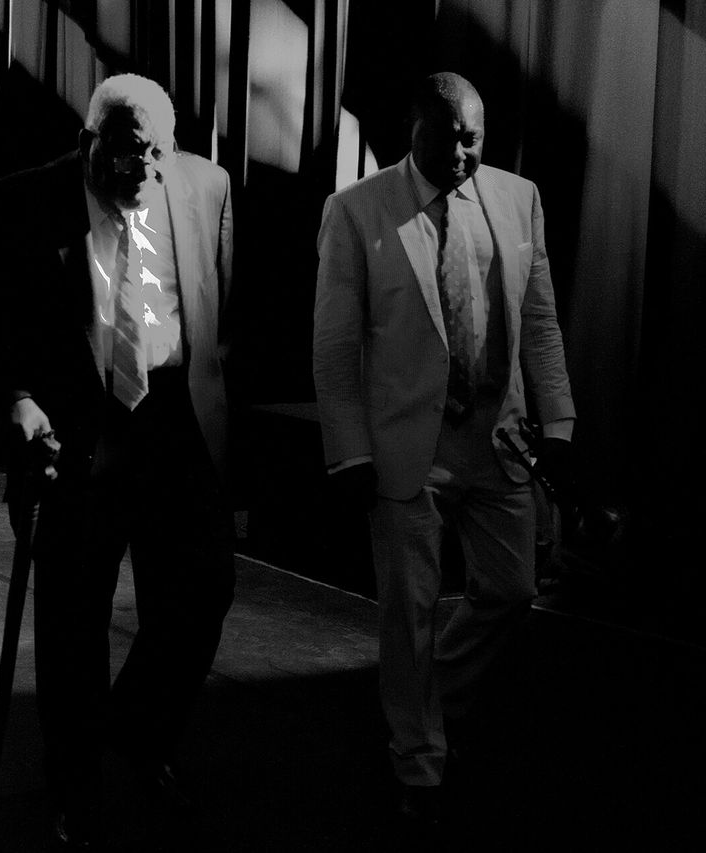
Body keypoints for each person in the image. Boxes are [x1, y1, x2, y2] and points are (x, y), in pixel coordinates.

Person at [312, 72, 576, 825]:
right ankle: (418, 760)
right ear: (413, 129)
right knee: (410, 610)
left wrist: (558, 422)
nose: (462, 151)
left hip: (498, 439)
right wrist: (348, 450)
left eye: (474, 137)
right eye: (448, 136)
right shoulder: (355, 210)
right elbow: (334, 345)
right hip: (403, 445)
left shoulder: (519, 199)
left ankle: (425, 697)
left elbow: (541, 321)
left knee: (511, 589)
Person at [0, 73, 236, 849]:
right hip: (75, 430)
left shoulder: (208, 187)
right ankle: (75, 784)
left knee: (203, 591)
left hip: (174, 424)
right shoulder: (23, 201)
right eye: (127, 152)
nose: (144, 170)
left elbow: (222, 314)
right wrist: (17, 398)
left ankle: (138, 732)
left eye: (158, 154)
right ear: (88, 141)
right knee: (72, 621)